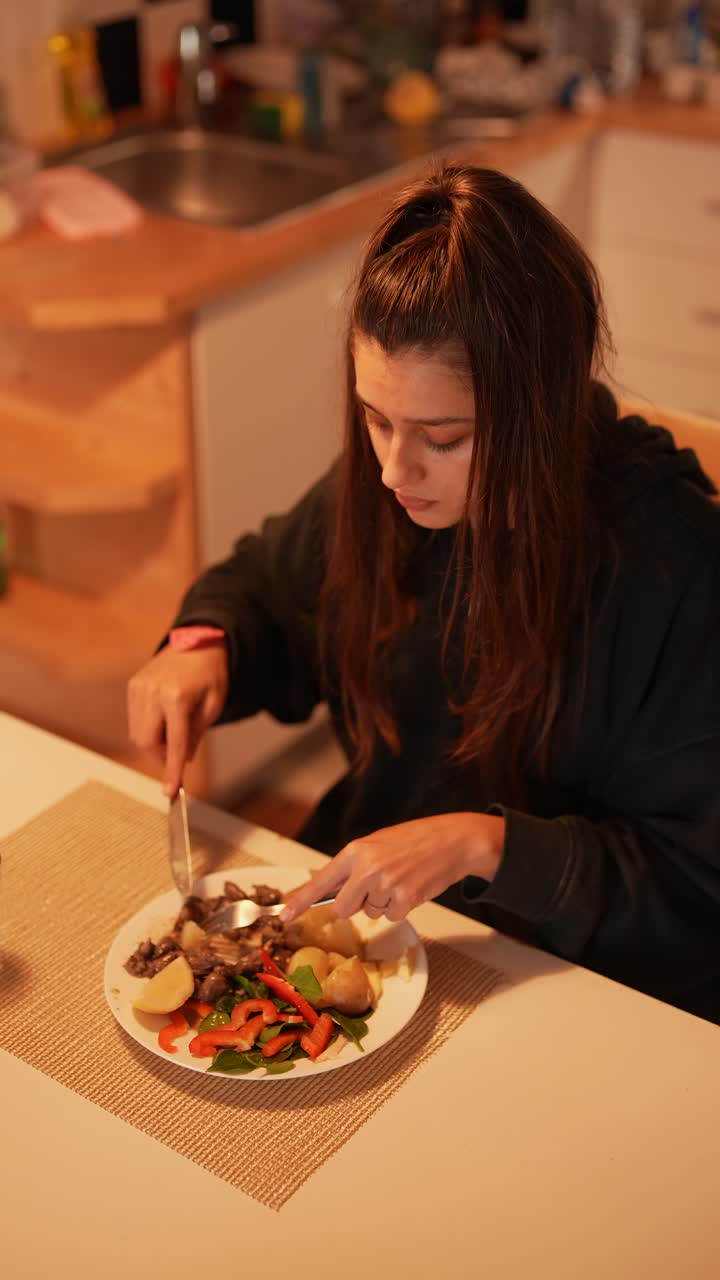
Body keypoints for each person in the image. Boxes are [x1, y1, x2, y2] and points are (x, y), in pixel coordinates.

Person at [128, 164, 720, 1022]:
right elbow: (264, 586)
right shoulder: (396, 491)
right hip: (383, 943)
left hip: (570, 987)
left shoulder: (674, 568)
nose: (393, 470)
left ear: (543, 411)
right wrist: (202, 646)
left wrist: (491, 845)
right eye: (376, 420)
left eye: (443, 438)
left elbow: (695, 894)